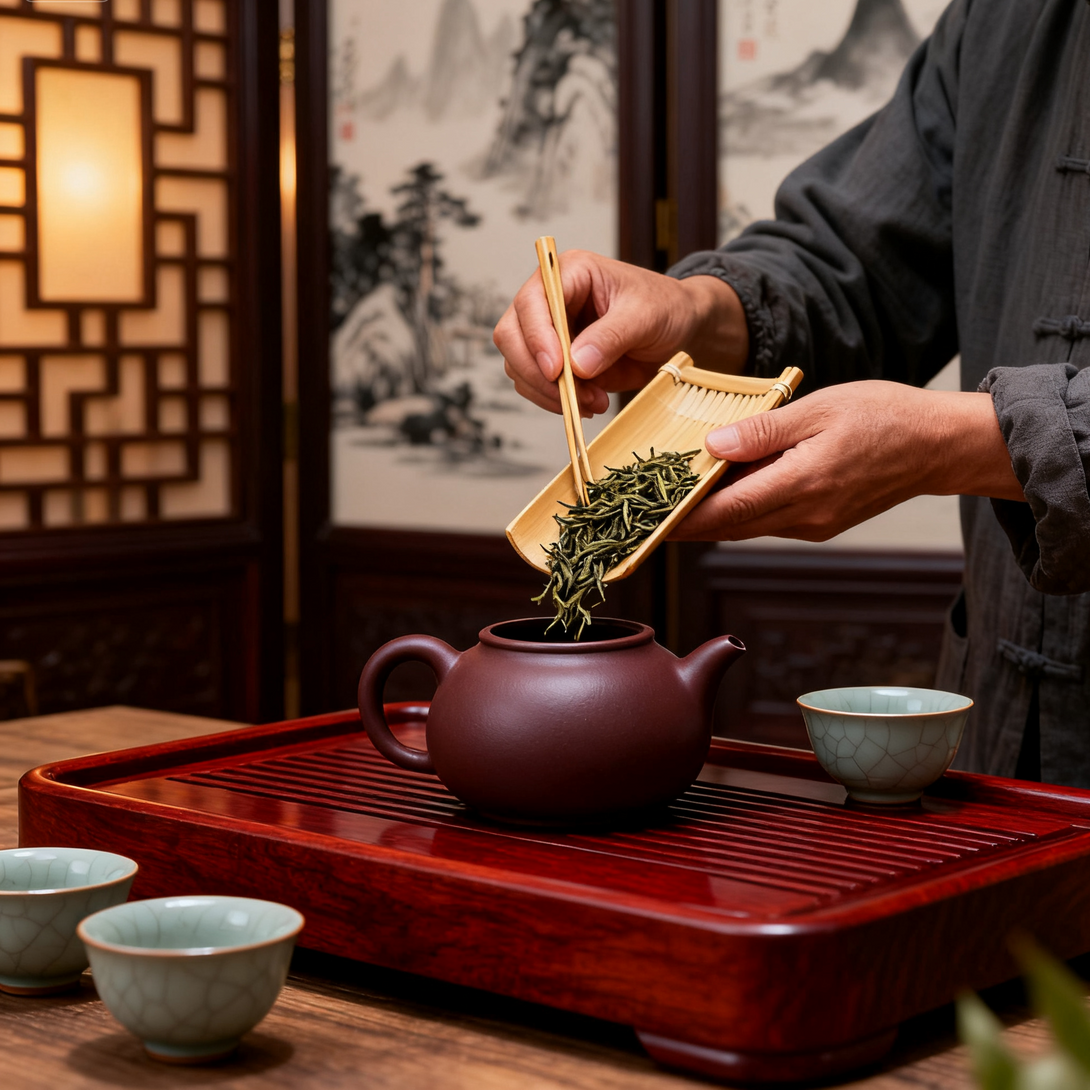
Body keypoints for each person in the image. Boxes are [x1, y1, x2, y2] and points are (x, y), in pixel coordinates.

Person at [493, 0, 1090, 787]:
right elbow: (860, 265)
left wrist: (964, 442)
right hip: (1001, 723)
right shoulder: (1009, 16)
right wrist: (701, 311)